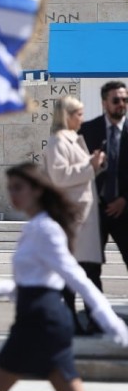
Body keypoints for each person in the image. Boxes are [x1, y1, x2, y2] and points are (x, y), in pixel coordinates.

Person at [0, 163, 128, 391]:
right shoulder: (35, 226)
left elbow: (77, 278)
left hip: (38, 322)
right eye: (9, 188)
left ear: (36, 190)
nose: (13, 194)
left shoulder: (45, 229)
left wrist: (111, 322)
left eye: (19, 188)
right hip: (39, 318)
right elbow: (37, 282)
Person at [45, 96, 106, 334]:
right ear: (67, 116)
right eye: (78, 114)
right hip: (73, 216)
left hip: (83, 215)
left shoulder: (71, 140)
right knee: (76, 270)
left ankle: (89, 319)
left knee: (86, 270)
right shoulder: (58, 142)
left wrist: (97, 164)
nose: (82, 118)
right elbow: (60, 176)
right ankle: (72, 319)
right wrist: (90, 166)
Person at [79, 81, 128, 276]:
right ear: (104, 103)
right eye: (116, 100)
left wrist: (124, 199)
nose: (121, 104)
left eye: (125, 100)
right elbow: (75, 170)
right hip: (94, 212)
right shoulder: (88, 131)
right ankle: (93, 307)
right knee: (90, 267)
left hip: (125, 210)